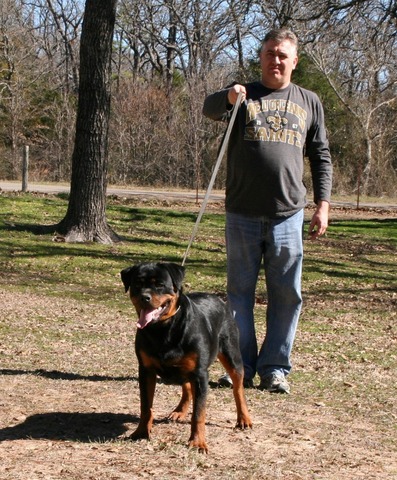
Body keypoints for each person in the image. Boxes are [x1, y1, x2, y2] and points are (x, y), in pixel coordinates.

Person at [202, 28, 332, 394]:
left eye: (282, 55)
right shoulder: (244, 94)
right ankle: (237, 366)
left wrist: (322, 205)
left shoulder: (309, 100)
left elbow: (321, 156)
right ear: (261, 57)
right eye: (270, 53)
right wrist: (228, 97)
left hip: (288, 213)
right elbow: (209, 108)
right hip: (242, 211)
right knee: (239, 293)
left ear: (294, 61)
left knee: (286, 294)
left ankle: (275, 368)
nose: (275, 60)